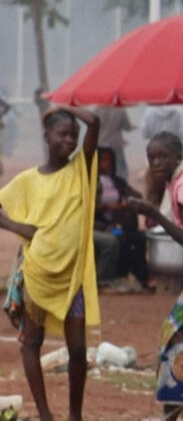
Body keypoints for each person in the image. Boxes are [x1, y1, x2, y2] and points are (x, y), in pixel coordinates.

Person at [0, 106, 101, 421]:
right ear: (46, 137)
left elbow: (94, 122)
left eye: (73, 134)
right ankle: (45, 413)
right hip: (37, 274)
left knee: (79, 349)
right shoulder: (28, 179)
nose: (69, 140)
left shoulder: (79, 170)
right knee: (32, 342)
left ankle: (75, 414)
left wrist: (66, 107)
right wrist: (20, 228)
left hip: (71, 279)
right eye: (62, 134)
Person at [129, 132, 183, 413]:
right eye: (152, 158)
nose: (157, 162)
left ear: (178, 156)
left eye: (163, 156)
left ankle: (175, 407)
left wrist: (154, 213)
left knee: (175, 333)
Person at [94, 147, 150, 291]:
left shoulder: (117, 182)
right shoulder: (90, 182)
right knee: (120, 241)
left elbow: (136, 195)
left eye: (110, 161)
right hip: (98, 225)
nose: (108, 164)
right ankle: (108, 278)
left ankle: (142, 278)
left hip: (117, 224)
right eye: (105, 160)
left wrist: (127, 202)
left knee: (139, 238)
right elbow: (86, 206)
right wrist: (105, 206)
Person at [93, 107, 134, 181]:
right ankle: (122, 185)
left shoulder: (98, 109)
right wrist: (133, 127)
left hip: (101, 143)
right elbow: (127, 126)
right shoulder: (120, 109)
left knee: (101, 166)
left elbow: (93, 125)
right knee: (121, 167)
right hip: (115, 143)